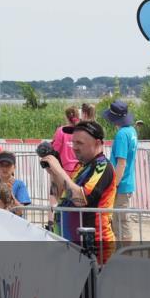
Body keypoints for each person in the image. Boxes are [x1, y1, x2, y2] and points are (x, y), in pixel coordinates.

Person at [40, 120, 117, 263]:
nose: (74, 147)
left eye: (80, 143)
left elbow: (81, 200)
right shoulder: (81, 166)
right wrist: (53, 173)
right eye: (73, 142)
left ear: (97, 143)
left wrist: (59, 170)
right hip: (76, 245)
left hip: (95, 247)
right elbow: (62, 196)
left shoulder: (102, 166)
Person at [103, 100, 139, 244]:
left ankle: (124, 252)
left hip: (121, 184)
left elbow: (121, 163)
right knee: (121, 219)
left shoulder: (122, 135)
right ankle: (124, 251)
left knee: (121, 221)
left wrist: (114, 185)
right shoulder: (131, 131)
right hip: (127, 181)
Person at [0, 151, 31, 216]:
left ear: (14, 167)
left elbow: (20, 212)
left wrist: (11, 194)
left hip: (14, 221)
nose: (4, 168)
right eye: (1, 165)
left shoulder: (19, 185)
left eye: (8, 165)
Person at [51, 105, 81, 172]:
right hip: (81, 169)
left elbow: (55, 149)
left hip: (65, 169)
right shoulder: (82, 130)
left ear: (66, 117)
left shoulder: (61, 130)